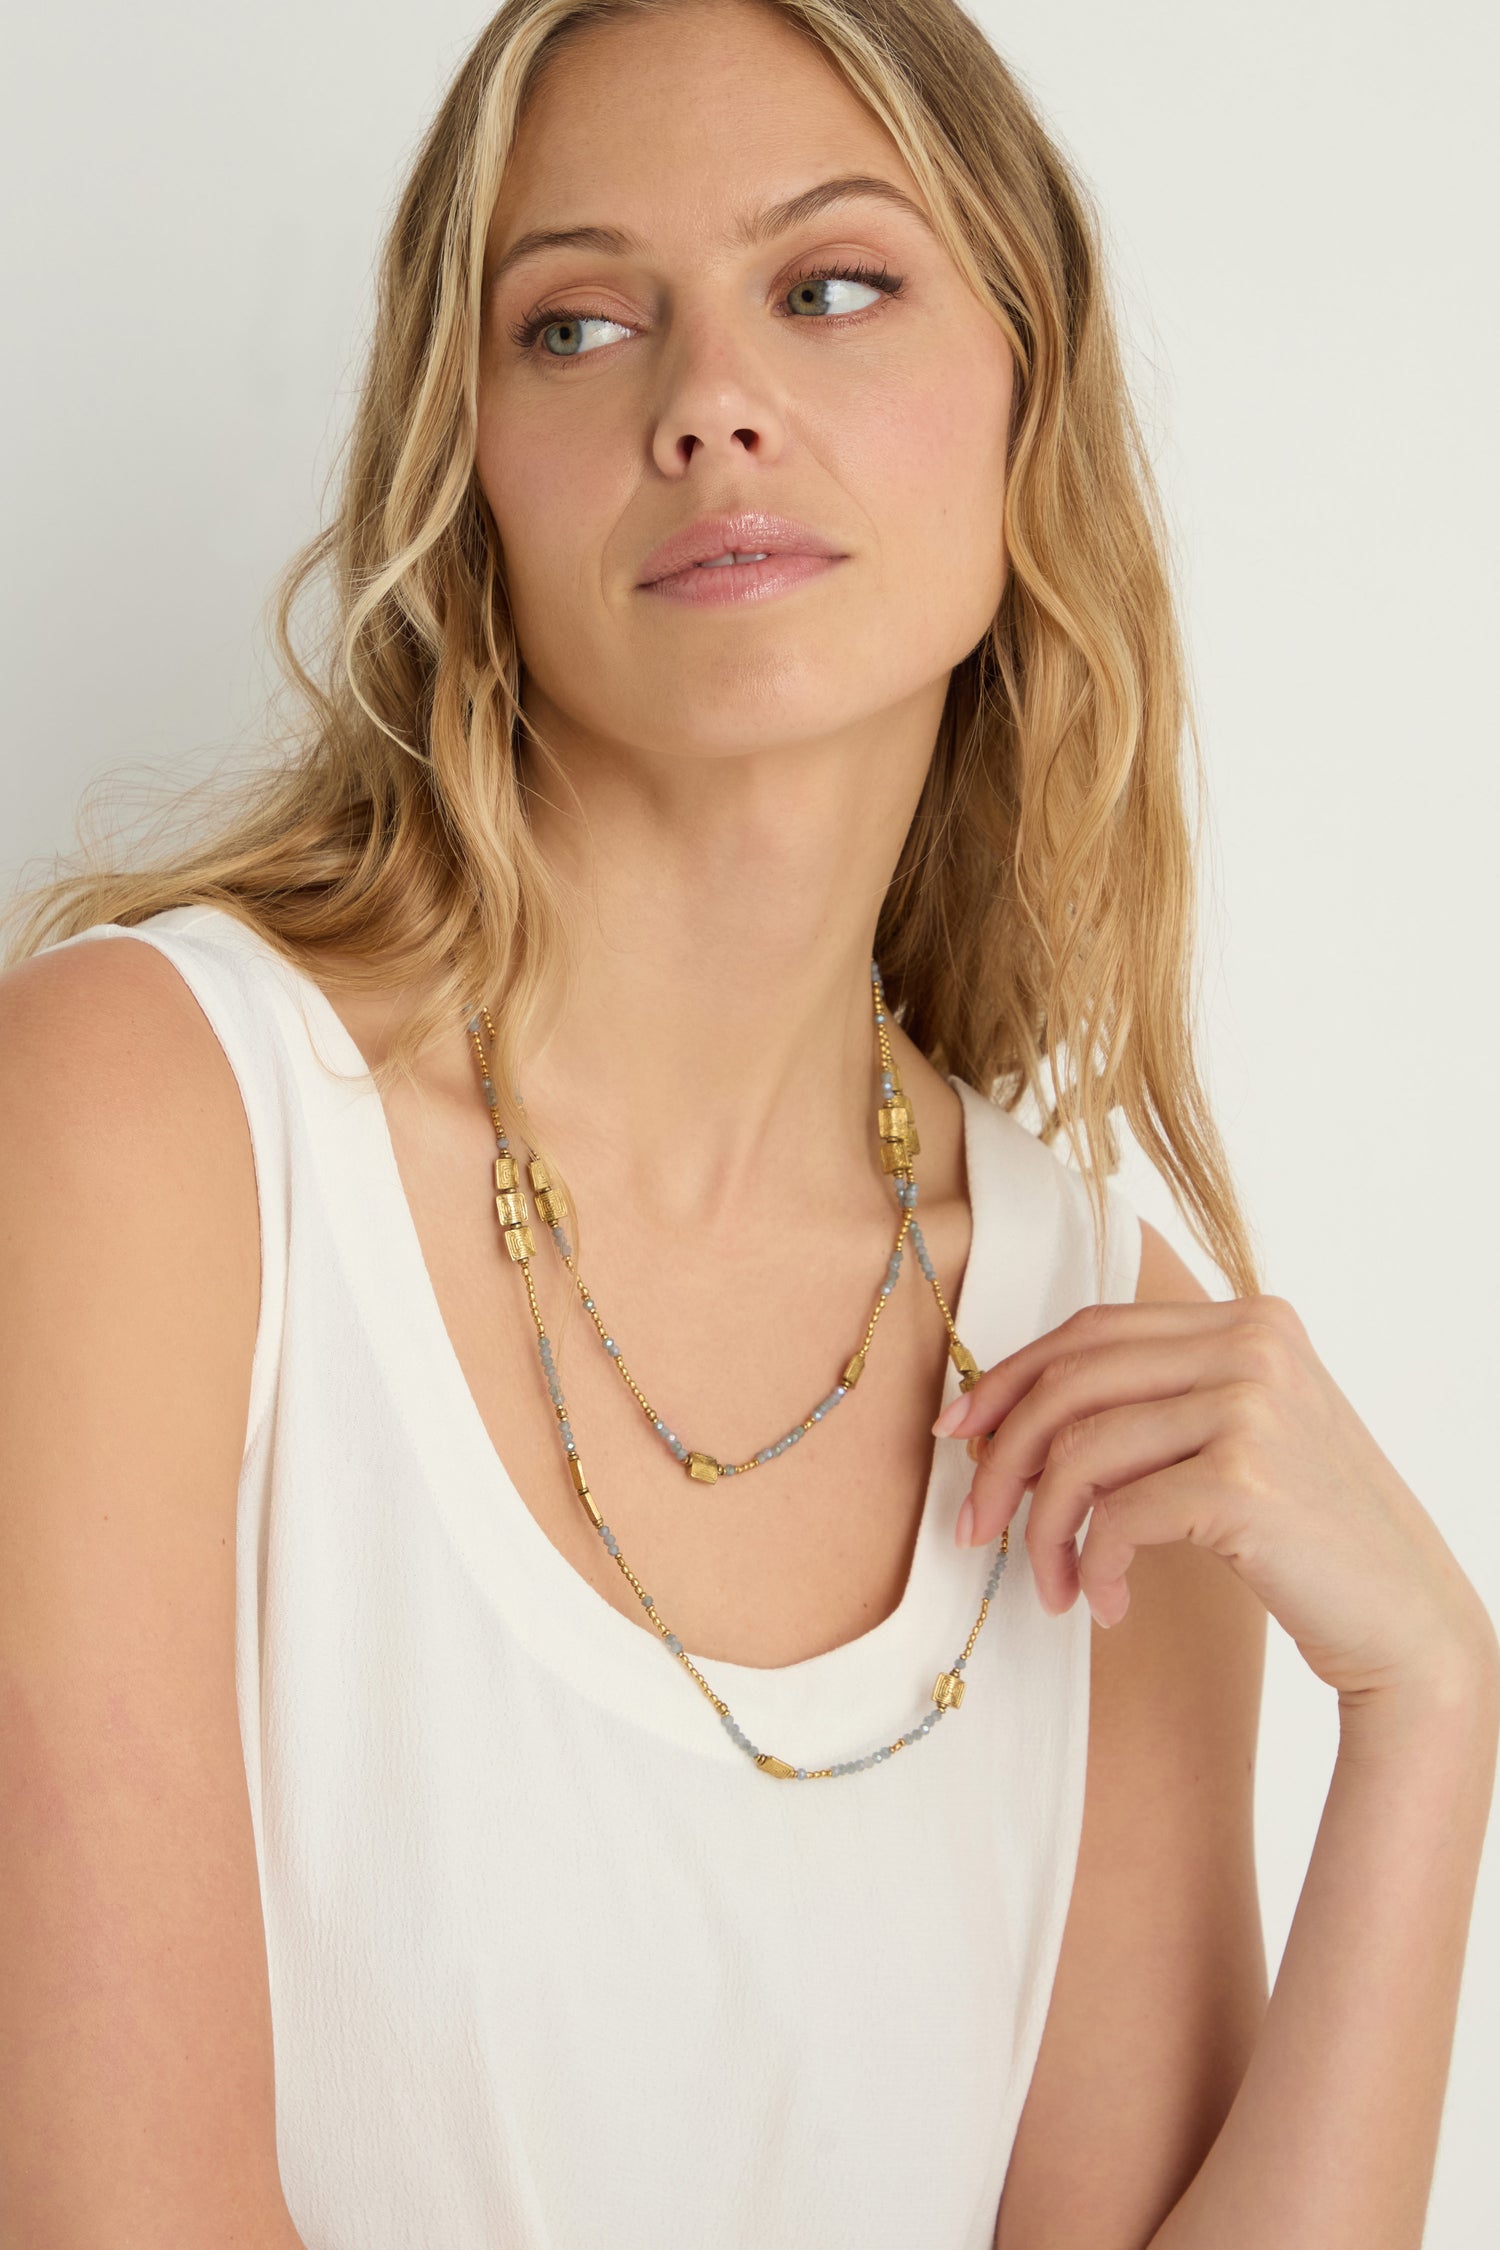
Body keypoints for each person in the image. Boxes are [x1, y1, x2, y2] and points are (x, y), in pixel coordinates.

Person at [1, 1, 1494, 2244]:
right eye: (580, 324)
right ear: (465, 466)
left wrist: (1430, 1717)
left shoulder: (1116, 1358)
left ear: (1025, 394)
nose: (709, 401)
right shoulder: (145, 1134)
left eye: (833, 285)